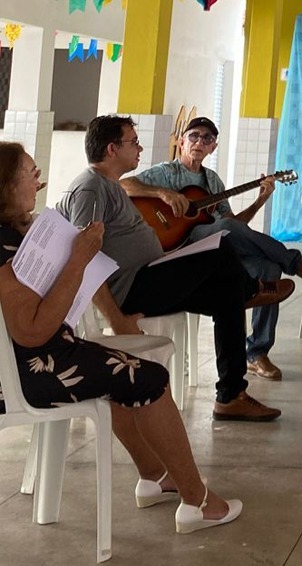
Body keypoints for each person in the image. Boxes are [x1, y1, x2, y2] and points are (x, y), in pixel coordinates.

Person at [0, 142, 242, 533]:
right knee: (149, 379)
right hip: (26, 370)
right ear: (7, 186)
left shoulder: (12, 234)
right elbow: (32, 331)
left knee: (114, 373)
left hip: (34, 357)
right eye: (30, 174)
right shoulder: (3, 248)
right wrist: (77, 259)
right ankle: (197, 501)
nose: (40, 181)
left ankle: (153, 474)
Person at [57, 115, 287, 423]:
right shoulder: (90, 189)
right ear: (112, 149)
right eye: (133, 142)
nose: (139, 148)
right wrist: (116, 319)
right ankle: (252, 290)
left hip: (149, 275)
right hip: (129, 290)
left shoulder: (109, 185)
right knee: (220, 250)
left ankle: (231, 396)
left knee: (226, 294)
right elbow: (83, 258)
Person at [121, 115, 302, 381]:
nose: (199, 142)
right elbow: (124, 185)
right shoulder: (166, 172)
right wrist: (163, 193)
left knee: (268, 268)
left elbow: (236, 226)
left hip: (218, 247)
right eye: (193, 136)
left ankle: (258, 353)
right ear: (182, 142)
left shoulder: (213, 181)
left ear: (213, 147)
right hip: (182, 248)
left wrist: (260, 200)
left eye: (207, 138)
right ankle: (297, 264)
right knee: (225, 229)